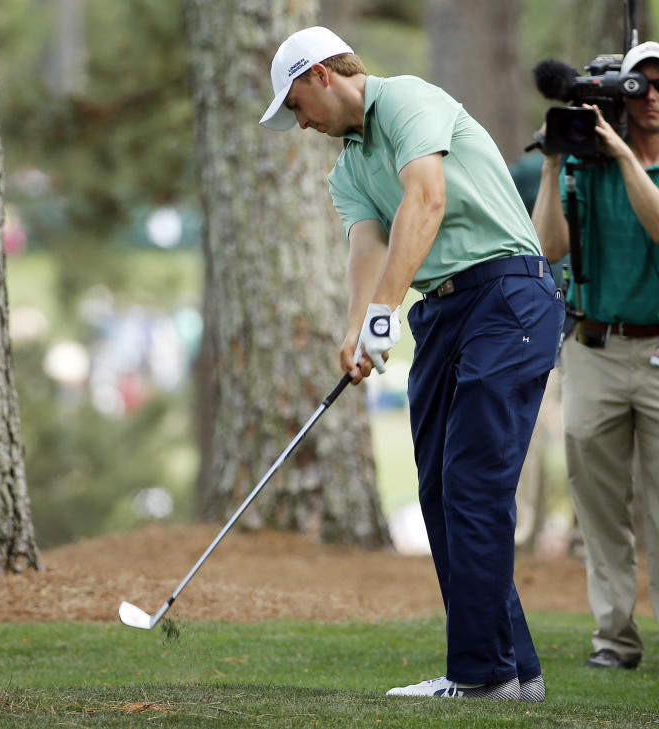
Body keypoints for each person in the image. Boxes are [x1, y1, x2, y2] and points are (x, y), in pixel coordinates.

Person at [259, 26, 563, 701]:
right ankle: (517, 672)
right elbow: (367, 247)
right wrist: (355, 328)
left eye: (295, 104)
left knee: (473, 486)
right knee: (440, 492)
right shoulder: (346, 170)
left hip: (507, 297)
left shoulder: (407, 101)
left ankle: (480, 675)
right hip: (444, 315)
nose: (300, 123)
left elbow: (427, 198)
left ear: (322, 77)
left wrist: (384, 311)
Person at [531, 40, 659, 671]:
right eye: (643, 85)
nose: (653, 97)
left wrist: (623, 156)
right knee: (601, 507)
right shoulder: (583, 166)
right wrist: (556, 167)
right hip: (594, 347)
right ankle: (614, 638)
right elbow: (548, 248)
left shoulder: (624, 160)